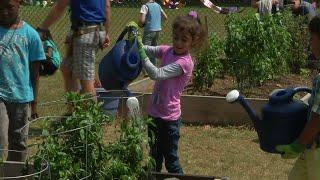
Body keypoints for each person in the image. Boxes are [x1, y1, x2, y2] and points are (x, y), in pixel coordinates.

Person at [127, 10, 207, 174]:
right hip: (154, 113)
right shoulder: (169, 50)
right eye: (176, 37)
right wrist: (137, 41)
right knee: (153, 156)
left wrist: (142, 54)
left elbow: (157, 74)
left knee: (171, 161)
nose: (178, 42)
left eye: (184, 40)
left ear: (193, 42)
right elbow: (150, 49)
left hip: (169, 119)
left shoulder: (184, 63)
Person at [276, 15, 320, 180]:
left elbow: (318, 118)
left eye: (312, 38)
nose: (310, 43)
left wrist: (297, 145)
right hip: (311, 147)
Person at [0, 0, 45, 161]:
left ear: (19, 4)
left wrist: (34, 102)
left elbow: (35, 73)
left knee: (19, 142)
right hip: (1, 95)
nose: (4, 12)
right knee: (1, 139)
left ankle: (15, 175)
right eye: (0, 8)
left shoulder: (30, 34)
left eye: (9, 7)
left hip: (22, 96)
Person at [38, 0, 111, 96]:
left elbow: (60, 6)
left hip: (85, 33)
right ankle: (73, 107)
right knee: (67, 69)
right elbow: (107, 7)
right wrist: (106, 32)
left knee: (86, 81)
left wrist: (43, 28)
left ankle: (89, 110)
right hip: (92, 30)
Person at [31, 29, 61, 119]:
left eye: (38, 32)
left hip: (53, 64)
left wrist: (39, 52)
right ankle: (39, 73)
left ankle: (37, 73)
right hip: (50, 65)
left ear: (44, 34)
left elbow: (49, 55)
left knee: (37, 59)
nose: (36, 34)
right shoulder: (45, 42)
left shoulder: (48, 42)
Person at [139, 0, 167, 66]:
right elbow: (165, 17)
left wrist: (140, 24)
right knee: (154, 50)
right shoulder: (158, 5)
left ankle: (145, 69)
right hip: (157, 30)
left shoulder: (145, 6)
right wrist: (156, 21)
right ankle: (154, 66)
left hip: (149, 31)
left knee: (144, 50)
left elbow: (142, 21)